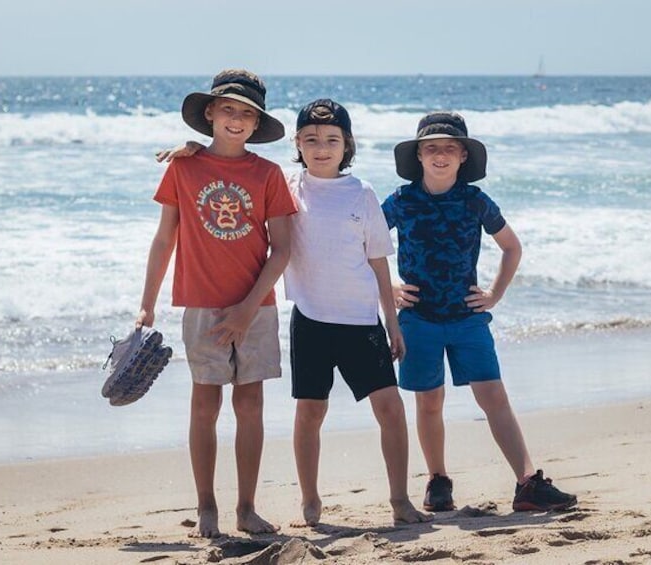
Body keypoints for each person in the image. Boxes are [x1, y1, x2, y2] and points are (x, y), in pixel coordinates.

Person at [158, 99, 431, 527]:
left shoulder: (362, 193)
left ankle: (400, 499)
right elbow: (234, 170)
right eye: (310, 139)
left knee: (391, 408)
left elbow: (379, 262)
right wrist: (193, 147)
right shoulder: (287, 185)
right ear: (298, 145)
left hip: (362, 321)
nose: (321, 148)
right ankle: (310, 500)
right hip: (310, 321)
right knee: (309, 413)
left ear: (347, 146)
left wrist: (391, 321)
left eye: (331, 140)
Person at [382, 111, 577, 513]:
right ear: (418, 155)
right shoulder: (400, 202)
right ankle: (438, 481)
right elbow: (364, 248)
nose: (440, 155)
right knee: (429, 402)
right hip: (419, 319)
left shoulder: (475, 201)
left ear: (463, 157)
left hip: (468, 318)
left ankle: (527, 482)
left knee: (494, 396)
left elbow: (512, 247)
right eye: (431, 148)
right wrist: (390, 288)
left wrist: (494, 294)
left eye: (450, 148)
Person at [136, 69, 297, 538]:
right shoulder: (183, 168)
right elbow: (165, 238)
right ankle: (206, 506)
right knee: (204, 406)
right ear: (209, 114)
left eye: (247, 114)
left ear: (257, 123)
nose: (236, 119)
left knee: (250, 406)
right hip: (202, 306)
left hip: (256, 308)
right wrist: (146, 304)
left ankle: (246, 508)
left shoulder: (267, 175)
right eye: (228, 109)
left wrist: (248, 308)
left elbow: (281, 248)